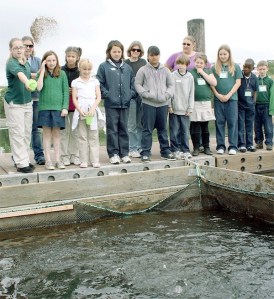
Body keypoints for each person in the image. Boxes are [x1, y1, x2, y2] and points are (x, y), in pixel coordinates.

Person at [96, 40, 136, 164]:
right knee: (112, 129)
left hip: (125, 104)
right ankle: (113, 154)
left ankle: (124, 153)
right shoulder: (104, 66)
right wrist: (107, 95)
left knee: (124, 128)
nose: (117, 54)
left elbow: (132, 84)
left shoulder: (127, 67)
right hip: (111, 104)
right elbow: (99, 83)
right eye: (114, 51)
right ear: (109, 52)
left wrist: (130, 95)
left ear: (122, 52)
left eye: (119, 51)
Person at [135, 46, 175, 163]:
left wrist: (166, 95)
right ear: (148, 56)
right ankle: (146, 153)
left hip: (163, 105)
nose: (154, 57)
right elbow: (137, 85)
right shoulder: (142, 70)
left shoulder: (166, 70)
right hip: (148, 104)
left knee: (162, 129)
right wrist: (146, 94)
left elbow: (171, 85)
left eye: (156, 55)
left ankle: (165, 151)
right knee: (147, 130)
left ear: (159, 56)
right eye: (152, 55)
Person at [4, 37, 34, 173]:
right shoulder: (11, 63)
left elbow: (28, 73)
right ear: (11, 50)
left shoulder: (25, 62)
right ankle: (21, 163)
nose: (19, 50)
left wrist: (40, 74)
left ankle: (24, 159)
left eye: (21, 47)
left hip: (27, 102)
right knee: (17, 133)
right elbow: (21, 75)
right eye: (16, 48)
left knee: (27, 133)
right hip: (14, 103)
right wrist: (27, 82)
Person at [37, 50, 69, 170]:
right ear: (45, 62)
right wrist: (42, 71)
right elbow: (38, 88)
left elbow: (65, 92)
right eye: (48, 60)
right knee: (46, 135)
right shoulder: (42, 73)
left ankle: (57, 159)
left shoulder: (62, 74)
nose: (51, 63)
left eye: (53, 60)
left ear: (57, 61)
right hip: (44, 108)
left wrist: (64, 107)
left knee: (56, 134)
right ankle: (48, 161)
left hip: (58, 109)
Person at [211, 44, 242, 155]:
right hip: (218, 99)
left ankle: (233, 146)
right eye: (220, 54)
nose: (223, 56)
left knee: (232, 122)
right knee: (219, 122)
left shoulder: (235, 67)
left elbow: (238, 82)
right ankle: (220, 146)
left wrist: (229, 94)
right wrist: (217, 95)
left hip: (232, 99)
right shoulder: (214, 67)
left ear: (229, 54)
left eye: (225, 54)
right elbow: (211, 84)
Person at [71, 58, 102, 168]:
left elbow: (98, 97)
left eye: (89, 69)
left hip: (92, 111)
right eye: (84, 69)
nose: (87, 71)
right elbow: (74, 98)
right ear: (80, 68)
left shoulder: (95, 81)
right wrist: (80, 110)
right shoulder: (75, 82)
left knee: (93, 136)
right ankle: (83, 160)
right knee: (82, 136)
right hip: (81, 111)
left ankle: (94, 160)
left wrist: (93, 108)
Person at [22, 35, 45, 165]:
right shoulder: (18, 61)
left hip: (36, 99)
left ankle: (39, 156)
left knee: (35, 129)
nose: (28, 48)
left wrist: (33, 75)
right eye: (26, 45)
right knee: (23, 130)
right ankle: (21, 157)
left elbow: (42, 75)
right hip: (23, 99)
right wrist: (33, 75)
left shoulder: (37, 60)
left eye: (31, 45)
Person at [190, 53, 216, 156]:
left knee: (205, 127)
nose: (199, 64)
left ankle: (206, 147)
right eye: (197, 62)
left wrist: (202, 73)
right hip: (195, 102)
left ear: (205, 64)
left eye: (201, 63)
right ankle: (196, 147)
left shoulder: (208, 71)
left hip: (206, 102)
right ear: (194, 62)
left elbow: (214, 83)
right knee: (195, 126)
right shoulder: (191, 73)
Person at [169, 54, 194, 160]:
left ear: (187, 65)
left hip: (185, 110)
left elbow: (191, 93)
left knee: (184, 131)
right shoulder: (172, 75)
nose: (180, 66)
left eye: (183, 64)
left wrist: (190, 108)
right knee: (174, 131)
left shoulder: (190, 77)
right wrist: (169, 105)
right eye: (178, 63)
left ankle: (186, 150)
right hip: (174, 109)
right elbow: (169, 91)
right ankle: (175, 150)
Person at [124, 41, 147, 158]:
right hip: (131, 97)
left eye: (138, 50)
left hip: (142, 97)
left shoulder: (143, 63)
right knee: (131, 124)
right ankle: (132, 148)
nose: (136, 52)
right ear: (130, 51)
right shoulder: (125, 63)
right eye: (134, 50)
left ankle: (139, 146)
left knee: (140, 123)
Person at [60, 46, 82, 166]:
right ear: (65, 56)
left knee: (75, 132)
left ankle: (75, 155)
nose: (70, 58)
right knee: (64, 132)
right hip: (63, 105)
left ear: (77, 57)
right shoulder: (61, 70)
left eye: (73, 56)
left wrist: (74, 91)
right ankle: (64, 156)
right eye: (68, 56)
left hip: (76, 105)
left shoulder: (80, 71)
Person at [237, 58, 259, 152]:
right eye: (244, 66)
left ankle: (249, 144)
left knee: (249, 126)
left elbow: (256, 91)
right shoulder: (239, 76)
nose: (246, 69)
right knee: (240, 126)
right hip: (240, 105)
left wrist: (253, 102)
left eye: (248, 67)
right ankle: (241, 144)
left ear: (252, 68)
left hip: (250, 106)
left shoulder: (254, 78)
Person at [254, 60, 273, 150]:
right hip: (256, 105)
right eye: (260, 69)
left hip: (266, 105)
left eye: (263, 69)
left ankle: (269, 143)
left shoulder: (270, 81)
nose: (261, 71)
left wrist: (271, 108)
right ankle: (259, 142)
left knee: (268, 126)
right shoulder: (255, 80)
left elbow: (272, 94)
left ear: (267, 69)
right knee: (257, 125)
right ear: (257, 69)